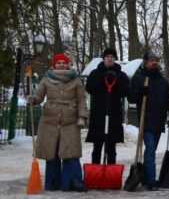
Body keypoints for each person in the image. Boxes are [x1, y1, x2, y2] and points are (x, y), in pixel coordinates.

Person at [26, 53, 88, 191]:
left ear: (68, 64)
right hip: (49, 121)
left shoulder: (76, 80)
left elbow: (81, 99)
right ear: (54, 65)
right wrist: (33, 99)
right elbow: (39, 96)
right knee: (51, 152)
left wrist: (82, 116)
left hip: (70, 121)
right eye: (58, 62)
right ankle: (53, 182)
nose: (61, 65)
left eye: (64, 62)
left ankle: (73, 182)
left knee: (71, 152)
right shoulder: (46, 79)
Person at [128, 52, 169, 190]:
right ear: (145, 62)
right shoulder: (139, 79)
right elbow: (131, 98)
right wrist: (141, 92)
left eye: (156, 60)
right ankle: (151, 181)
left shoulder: (163, 82)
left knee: (151, 150)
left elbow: (166, 104)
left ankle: (146, 179)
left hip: (158, 121)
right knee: (150, 149)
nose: (155, 63)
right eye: (152, 60)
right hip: (145, 121)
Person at [85, 48, 129, 164]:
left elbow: (125, 92)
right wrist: (102, 77)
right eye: (107, 57)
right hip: (98, 115)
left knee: (111, 148)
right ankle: (95, 170)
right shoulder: (95, 73)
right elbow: (90, 89)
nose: (110, 59)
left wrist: (116, 79)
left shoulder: (121, 74)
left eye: (112, 57)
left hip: (113, 115)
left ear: (115, 59)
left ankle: (110, 170)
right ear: (103, 58)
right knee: (97, 148)